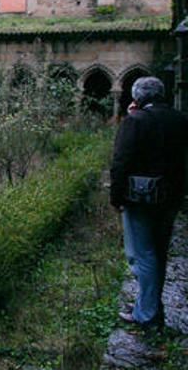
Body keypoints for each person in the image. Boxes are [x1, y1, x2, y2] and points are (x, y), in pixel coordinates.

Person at [111, 76, 188, 326]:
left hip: (140, 199)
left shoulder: (135, 121)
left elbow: (121, 161)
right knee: (159, 253)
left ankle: (146, 315)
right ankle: (150, 304)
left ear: (138, 97)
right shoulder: (180, 119)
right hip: (171, 198)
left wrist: (116, 197)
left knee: (141, 255)